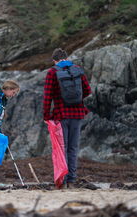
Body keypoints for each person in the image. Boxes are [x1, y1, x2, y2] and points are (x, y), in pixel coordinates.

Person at [43, 48, 91, 189]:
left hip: (61, 116)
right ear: (67, 57)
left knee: (61, 149)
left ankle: (62, 183)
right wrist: (75, 100)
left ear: (54, 60)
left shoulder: (53, 72)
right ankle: (71, 181)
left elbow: (48, 96)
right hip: (77, 114)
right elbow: (87, 90)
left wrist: (46, 115)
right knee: (73, 148)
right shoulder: (77, 69)